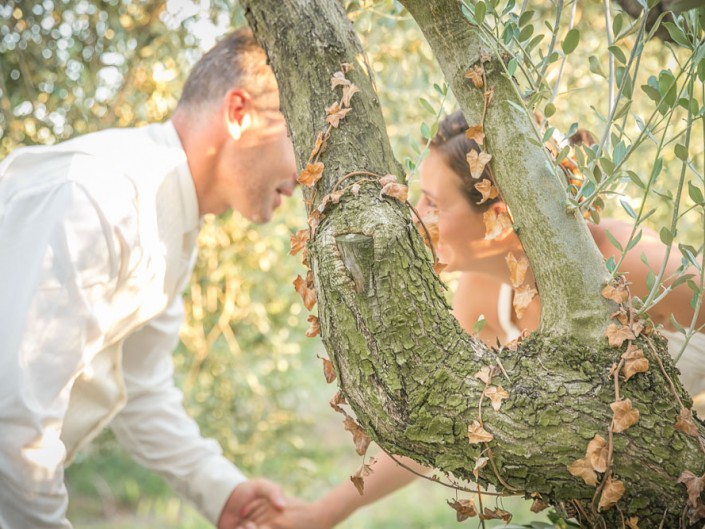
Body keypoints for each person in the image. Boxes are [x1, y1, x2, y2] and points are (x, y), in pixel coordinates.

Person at [238, 110, 705, 528]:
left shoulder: (628, 263)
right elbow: (441, 421)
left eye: (434, 204)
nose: (414, 215)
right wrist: (322, 514)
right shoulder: (482, 295)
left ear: (498, 217)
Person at [0, 28, 300, 529]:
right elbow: (16, 417)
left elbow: (139, 384)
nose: (307, 173)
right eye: (300, 136)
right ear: (239, 114)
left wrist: (219, 489)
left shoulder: (171, 221)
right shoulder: (97, 200)